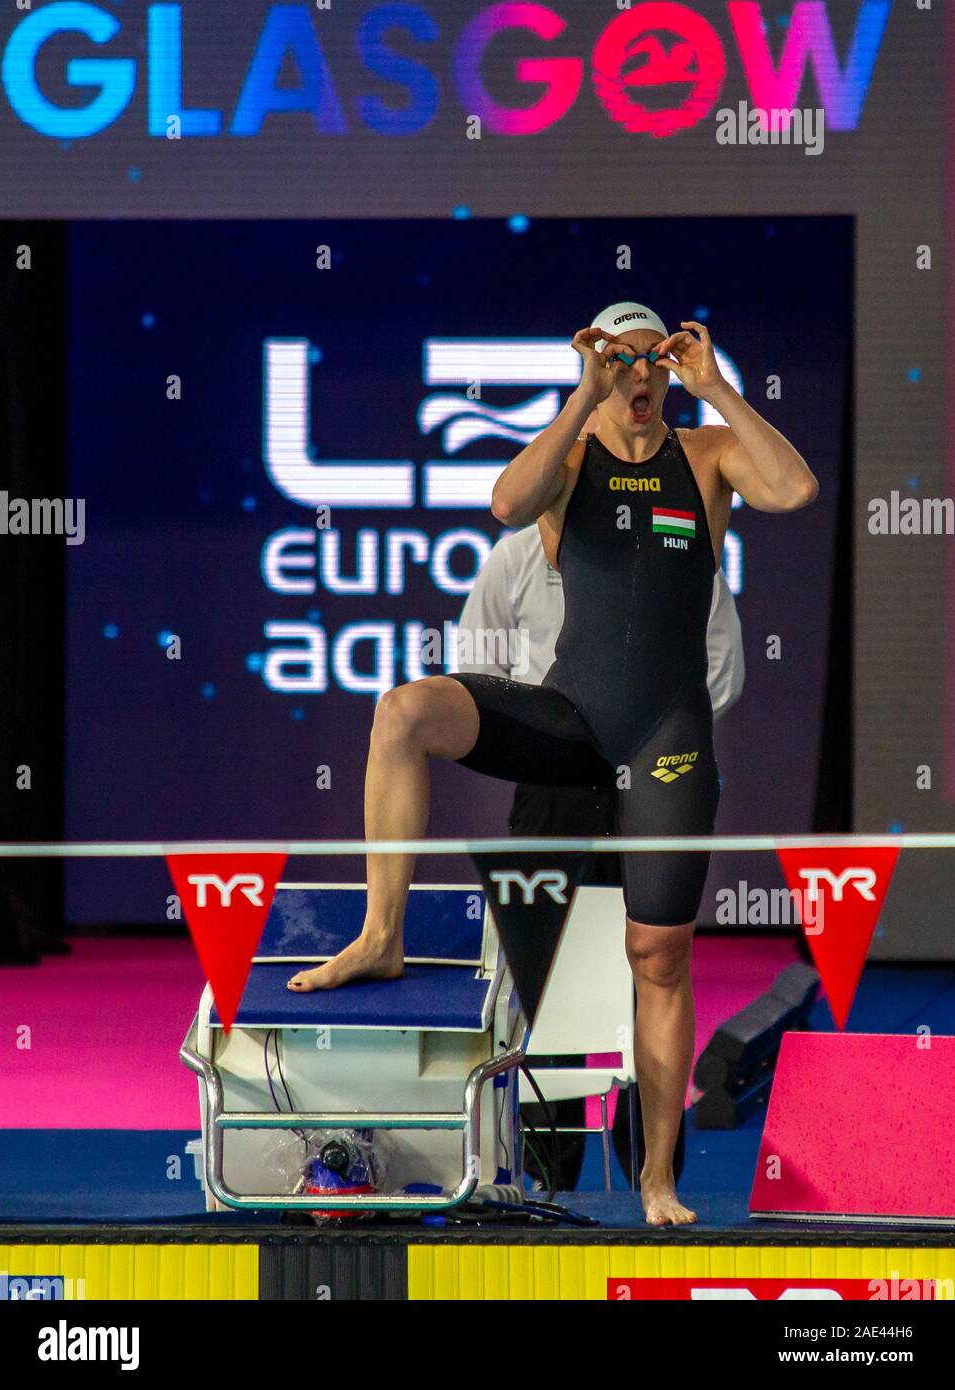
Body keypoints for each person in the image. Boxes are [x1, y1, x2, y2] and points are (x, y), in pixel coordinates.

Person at [288, 301, 818, 1226]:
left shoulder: (706, 456)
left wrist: (717, 388)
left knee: (656, 957)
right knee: (405, 711)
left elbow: (796, 490)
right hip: (568, 720)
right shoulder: (570, 459)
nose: (641, 377)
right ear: (600, 369)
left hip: (664, 737)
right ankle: (380, 935)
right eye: (623, 362)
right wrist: (580, 396)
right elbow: (503, 503)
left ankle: (656, 1181)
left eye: (654, 360)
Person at [455, 523, 744, 1189]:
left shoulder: (676, 551)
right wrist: (543, 739)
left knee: (655, 965)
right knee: (544, 978)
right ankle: (544, 1180)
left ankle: (652, 1167)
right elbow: (476, 669)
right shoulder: (515, 557)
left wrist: (655, 734)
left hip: (651, 779)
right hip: (550, 788)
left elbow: (721, 663)